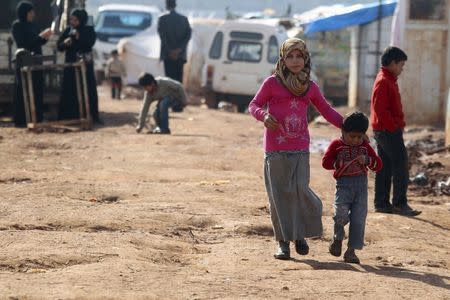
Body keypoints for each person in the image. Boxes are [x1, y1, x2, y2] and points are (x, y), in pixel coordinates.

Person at [248, 38, 343, 260]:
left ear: (306, 58)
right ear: (282, 59)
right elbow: (254, 105)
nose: (294, 61)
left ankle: (300, 234)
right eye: (289, 56)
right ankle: (283, 243)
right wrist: (263, 116)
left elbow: (326, 111)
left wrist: (348, 126)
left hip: (300, 147)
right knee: (280, 196)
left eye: (299, 56)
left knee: (300, 190)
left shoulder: (310, 86)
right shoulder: (272, 83)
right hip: (275, 149)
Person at [322, 112, 382, 264]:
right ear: (343, 132)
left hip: (361, 189)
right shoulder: (336, 145)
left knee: (358, 220)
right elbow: (326, 162)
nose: (356, 140)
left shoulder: (365, 146)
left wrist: (368, 160)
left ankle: (351, 251)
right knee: (340, 215)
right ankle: (337, 239)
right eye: (352, 136)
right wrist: (338, 163)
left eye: (359, 137)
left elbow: (378, 164)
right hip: (343, 187)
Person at [370, 46, 421, 216]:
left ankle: (382, 203)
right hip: (387, 130)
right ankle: (399, 204)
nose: (402, 69)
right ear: (392, 63)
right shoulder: (384, 80)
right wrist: (393, 127)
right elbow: (380, 109)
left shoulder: (387, 78)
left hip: (384, 129)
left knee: (384, 166)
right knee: (400, 165)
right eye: (401, 65)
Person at [11, 1, 53, 127]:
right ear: (25, 13)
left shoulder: (34, 25)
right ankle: (22, 120)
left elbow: (38, 43)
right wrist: (41, 36)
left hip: (36, 61)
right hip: (24, 61)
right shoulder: (17, 26)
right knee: (24, 90)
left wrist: (45, 37)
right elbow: (24, 43)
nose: (33, 14)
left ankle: (37, 117)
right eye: (31, 12)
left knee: (37, 89)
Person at [57, 9, 101, 124]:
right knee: (70, 89)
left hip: (85, 66)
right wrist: (65, 43)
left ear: (81, 20)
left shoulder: (89, 30)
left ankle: (90, 115)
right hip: (71, 65)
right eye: (71, 19)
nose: (73, 22)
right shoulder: (68, 30)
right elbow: (59, 46)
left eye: (75, 20)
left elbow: (89, 43)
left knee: (87, 88)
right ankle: (70, 116)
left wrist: (78, 38)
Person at [157, 0, 191, 83]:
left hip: (168, 55)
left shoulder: (162, 18)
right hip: (180, 55)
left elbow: (163, 37)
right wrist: (179, 50)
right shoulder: (184, 19)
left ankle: (170, 96)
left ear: (166, 5)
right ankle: (178, 96)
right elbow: (188, 36)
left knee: (169, 80)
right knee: (178, 81)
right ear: (175, 5)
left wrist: (170, 51)